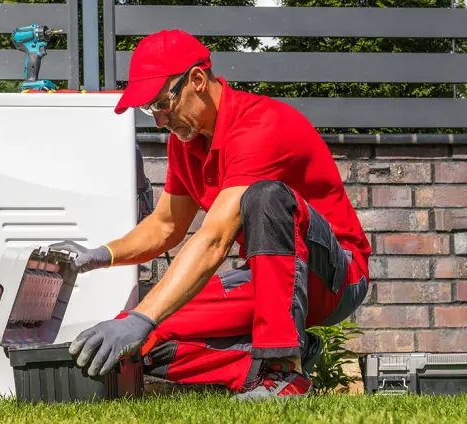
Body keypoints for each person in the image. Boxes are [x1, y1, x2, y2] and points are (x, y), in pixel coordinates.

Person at [52, 29, 371, 401]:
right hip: (270, 280)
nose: (158, 121)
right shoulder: (185, 143)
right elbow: (165, 225)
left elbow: (215, 238)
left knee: (265, 197)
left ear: (197, 81)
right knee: (141, 344)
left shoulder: (261, 126)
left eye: (161, 104)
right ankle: (271, 362)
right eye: (148, 109)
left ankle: (283, 371)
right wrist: (101, 255)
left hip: (336, 277)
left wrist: (143, 315)